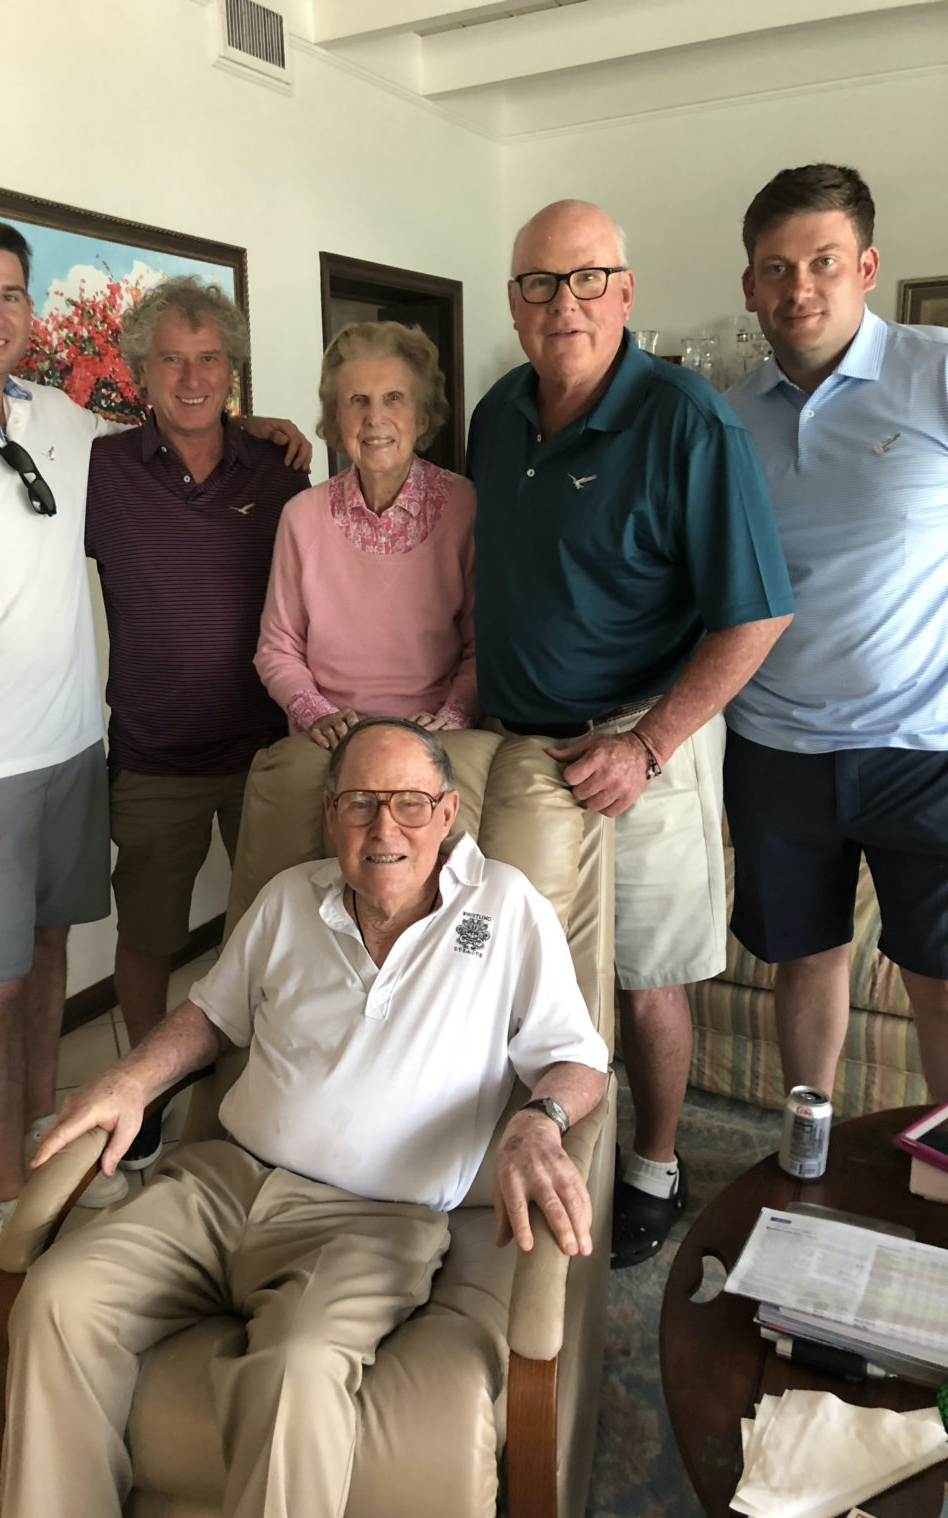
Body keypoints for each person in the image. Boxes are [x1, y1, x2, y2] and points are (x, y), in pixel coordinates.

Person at [0, 217, 310, 1258]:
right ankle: (9, 1193)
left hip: (74, 750)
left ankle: (48, 1137)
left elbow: (181, 419)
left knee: (45, 957)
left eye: (12, 294)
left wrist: (258, 422)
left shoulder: (60, 421)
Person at [0, 717, 609, 1518]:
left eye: (408, 803)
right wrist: (131, 1078)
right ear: (330, 813)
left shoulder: (505, 907)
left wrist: (540, 1121)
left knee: (296, 1367)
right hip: (221, 1186)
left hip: (373, 1221)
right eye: (360, 803)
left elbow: (577, 1059)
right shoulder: (290, 899)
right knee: (57, 1299)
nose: (383, 828)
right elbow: (210, 1017)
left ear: (447, 811)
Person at [467, 199, 794, 1267]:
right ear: (514, 301)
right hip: (522, 751)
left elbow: (756, 616)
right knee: (531, 978)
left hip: (640, 746)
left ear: (625, 290)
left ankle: (654, 1163)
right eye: (539, 283)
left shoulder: (688, 420)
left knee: (649, 981)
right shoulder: (496, 415)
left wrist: (648, 747)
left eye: (586, 279)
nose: (563, 304)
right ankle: (549, 1148)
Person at [723, 164, 948, 1100]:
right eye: (776, 268)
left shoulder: (936, 371)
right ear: (750, 286)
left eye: (822, 261)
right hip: (776, 746)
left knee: (940, 977)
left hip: (923, 746)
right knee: (803, 958)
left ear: (866, 266)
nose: (799, 288)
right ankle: (804, 1154)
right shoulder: (728, 416)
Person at [86, 277, 309, 1172]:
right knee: (147, 936)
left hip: (269, 754)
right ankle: (147, 1091)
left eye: (209, 358)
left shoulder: (280, 470)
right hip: (154, 757)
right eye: (172, 359)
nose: (191, 377)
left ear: (232, 369)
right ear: (141, 370)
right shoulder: (101, 471)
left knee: (284, 930)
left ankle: (273, 1081)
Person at [255, 321, 476, 750]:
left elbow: (485, 646)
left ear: (422, 415)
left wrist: (452, 717)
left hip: (438, 739)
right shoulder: (301, 517)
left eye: (394, 398)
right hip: (330, 742)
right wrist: (318, 715)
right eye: (358, 401)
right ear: (337, 420)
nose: (375, 418)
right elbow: (277, 649)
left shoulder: (465, 506)